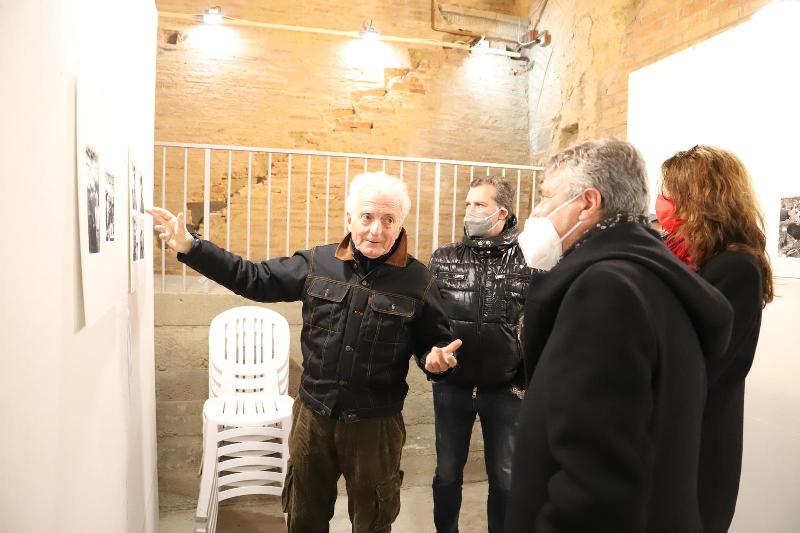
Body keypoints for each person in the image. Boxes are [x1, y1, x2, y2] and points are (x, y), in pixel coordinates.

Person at [147, 172, 461, 533]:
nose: (376, 230)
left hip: (375, 426)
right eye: (367, 217)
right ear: (349, 218)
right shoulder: (318, 263)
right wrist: (192, 247)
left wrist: (436, 363)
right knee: (303, 516)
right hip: (314, 418)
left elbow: (435, 345)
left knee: (373, 520)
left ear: (400, 224)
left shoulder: (419, 281)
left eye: (388, 220)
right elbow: (254, 278)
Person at [504, 138, 734, 533]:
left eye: (545, 196)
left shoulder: (606, 290)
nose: (537, 211)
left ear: (588, 203)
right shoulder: (649, 277)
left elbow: (595, 478)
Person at [658, 145, 773, 533]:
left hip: (700, 438)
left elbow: (709, 363)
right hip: (672, 429)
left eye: (670, 193)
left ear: (701, 198)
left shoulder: (735, 265)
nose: (662, 202)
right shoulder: (680, 254)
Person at [428, 177, 533, 533]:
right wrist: (433, 360)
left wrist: (523, 379)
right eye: (468, 204)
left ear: (502, 213)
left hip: (506, 391)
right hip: (452, 387)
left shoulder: (528, 261)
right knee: (446, 474)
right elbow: (428, 321)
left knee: (504, 478)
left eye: (480, 205)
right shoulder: (444, 258)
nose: (470, 212)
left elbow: (541, 325)